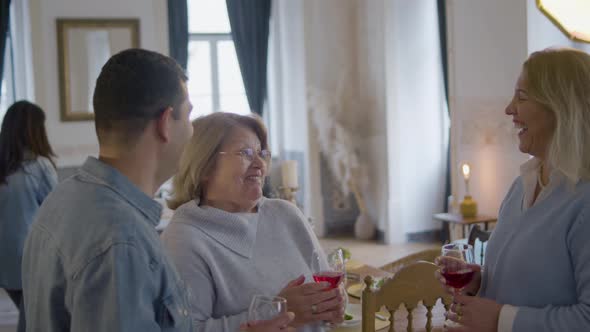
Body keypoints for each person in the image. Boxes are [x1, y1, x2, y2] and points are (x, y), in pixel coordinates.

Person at [435, 47, 590, 332]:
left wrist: (500, 320)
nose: (509, 109)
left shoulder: (584, 201)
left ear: (561, 108)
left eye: (522, 97)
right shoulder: (522, 184)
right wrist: (480, 280)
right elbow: (533, 280)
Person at [161, 112, 345, 331]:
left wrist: (333, 304)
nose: (260, 164)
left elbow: (326, 292)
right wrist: (278, 313)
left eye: (261, 153)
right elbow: (187, 329)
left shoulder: (287, 214)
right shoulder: (184, 239)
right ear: (205, 166)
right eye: (245, 153)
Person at [0, 101, 57, 332]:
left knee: (27, 317)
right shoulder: (39, 167)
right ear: (34, 131)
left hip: (4, 261)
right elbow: (58, 213)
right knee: (33, 322)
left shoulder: (3, 169)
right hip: (31, 259)